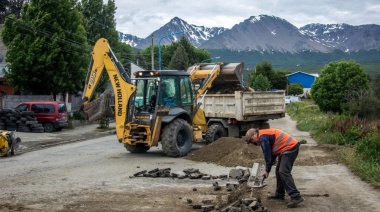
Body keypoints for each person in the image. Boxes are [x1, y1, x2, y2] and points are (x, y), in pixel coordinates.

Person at [245, 128, 304, 208]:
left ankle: (296, 196)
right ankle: (280, 193)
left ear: (255, 134)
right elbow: (272, 154)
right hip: (286, 149)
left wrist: (267, 170)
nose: (253, 142)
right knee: (278, 171)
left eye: (252, 139)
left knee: (283, 171)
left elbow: (268, 156)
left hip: (290, 147)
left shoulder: (263, 138)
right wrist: (267, 169)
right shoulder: (264, 135)